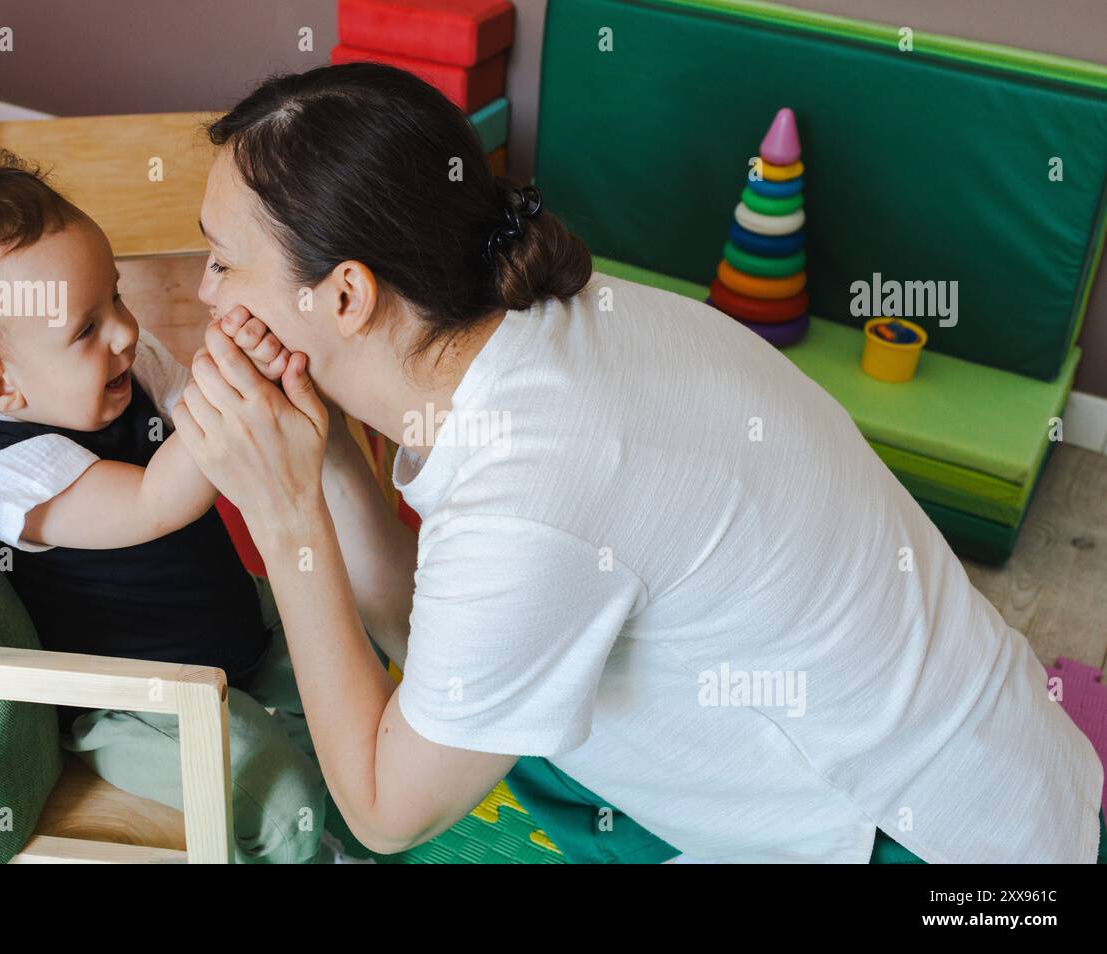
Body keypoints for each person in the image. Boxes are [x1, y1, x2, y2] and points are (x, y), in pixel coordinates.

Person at [174, 61, 1104, 863]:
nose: (202, 292)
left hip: (929, 843)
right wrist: (331, 459)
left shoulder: (534, 480)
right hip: (989, 752)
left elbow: (384, 813)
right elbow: (435, 649)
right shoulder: (540, 330)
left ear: (344, 297)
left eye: (222, 263)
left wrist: (285, 518)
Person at [0, 152, 357, 864]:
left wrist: (249, 376)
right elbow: (155, 501)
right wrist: (225, 385)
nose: (124, 329)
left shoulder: (123, 356)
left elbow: (205, 426)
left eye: (114, 296)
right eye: (85, 328)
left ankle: (351, 795)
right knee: (272, 792)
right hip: (136, 697)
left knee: (348, 677)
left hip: (231, 619)